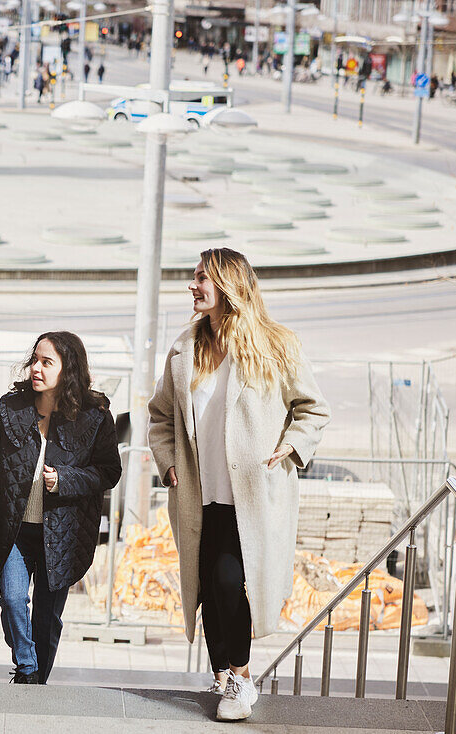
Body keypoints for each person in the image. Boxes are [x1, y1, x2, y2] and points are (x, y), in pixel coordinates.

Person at [147, 248, 330, 722]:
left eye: (201, 278)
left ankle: (242, 677)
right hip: (199, 494)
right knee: (208, 587)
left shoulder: (275, 345)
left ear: (227, 285)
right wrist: (168, 464)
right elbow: (160, 416)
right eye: (193, 277)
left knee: (230, 582)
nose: (193, 285)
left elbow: (313, 409)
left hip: (251, 496)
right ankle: (224, 675)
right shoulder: (185, 349)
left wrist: (291, 448)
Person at [0, 332, 121, 684]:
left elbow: (109, 471)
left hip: (63, 533)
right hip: (15, 530)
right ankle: (27, 667)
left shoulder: (95, 417)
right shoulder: (11, 409)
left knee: (47, 618)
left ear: (68, 370)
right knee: (11, 600)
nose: (35, 368)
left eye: (46, 362)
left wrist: (65, 479)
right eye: (34, 359)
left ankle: (36, 682)